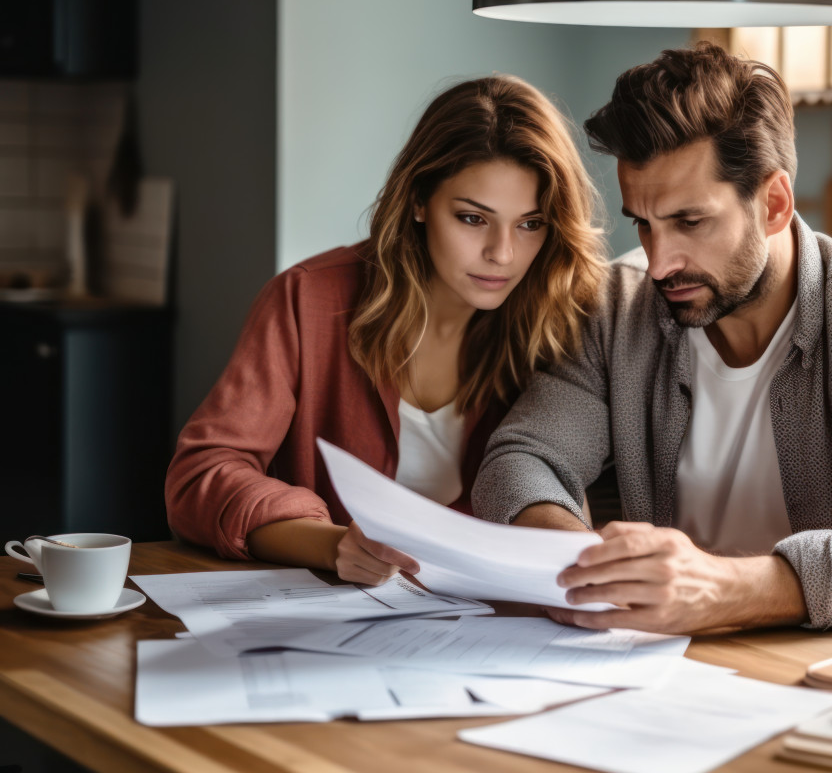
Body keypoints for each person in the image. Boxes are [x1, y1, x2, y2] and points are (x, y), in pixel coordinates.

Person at [472, 44, 832, 634]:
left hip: (825, 666)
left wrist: (723, 588)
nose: (659, 263)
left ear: (773, 204)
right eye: (643, 224)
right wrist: (592, 566)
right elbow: (520, 461)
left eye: (689, 222)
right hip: (654, 666)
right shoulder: (614, 308)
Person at [166, 76, 607, 585]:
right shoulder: (307, 300)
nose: (502, 254)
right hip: (330, 625)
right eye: (472, 218)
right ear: (419, 200)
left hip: (491, 627)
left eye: (530, 224)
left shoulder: (562, 326)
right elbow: (200, 476)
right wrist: (332, 545)